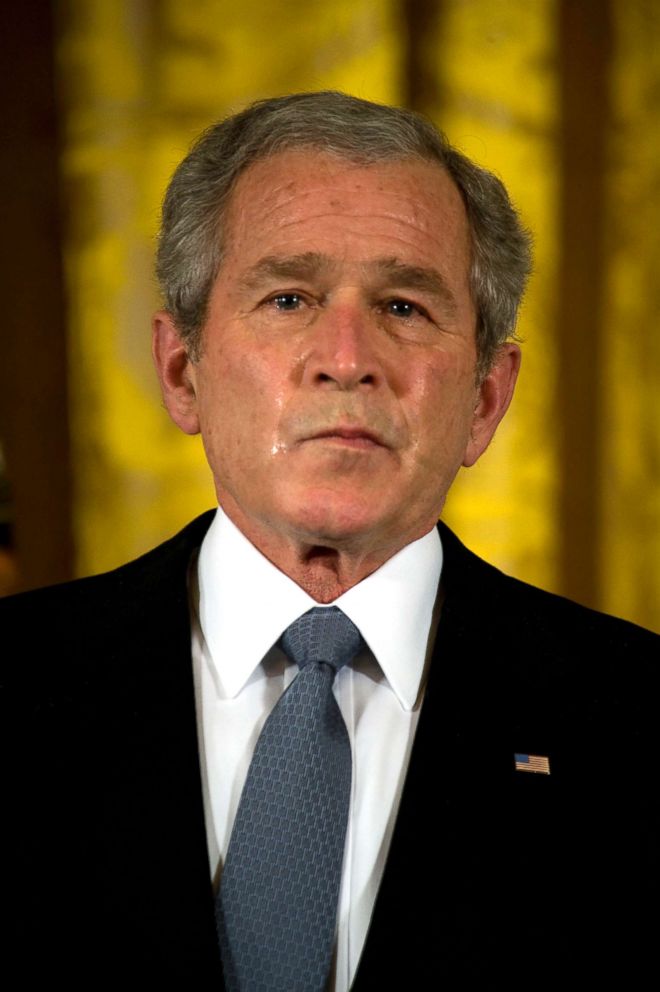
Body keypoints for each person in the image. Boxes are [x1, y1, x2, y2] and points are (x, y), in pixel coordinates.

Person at [3, 91, 658, 989]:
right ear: (181, 370)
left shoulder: (641, 723)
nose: (345, 357)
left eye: (404, 307)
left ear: (484, 399)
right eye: (288, 297)